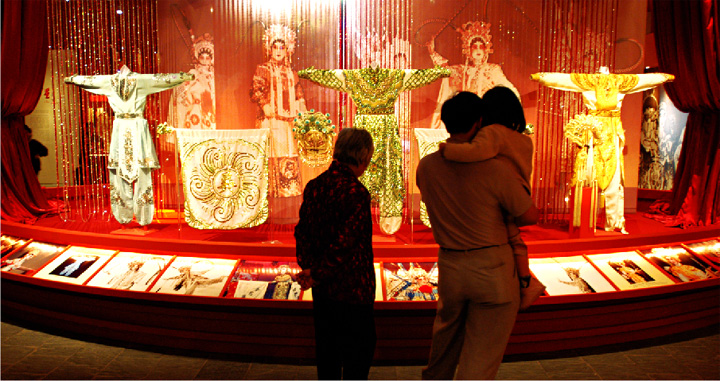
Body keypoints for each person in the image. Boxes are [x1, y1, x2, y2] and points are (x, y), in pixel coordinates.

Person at [416, 92, 538, 379]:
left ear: (445, 123)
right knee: (480, 359)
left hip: (449, 264)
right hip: (491, 267)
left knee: (444, 345)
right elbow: (529, 215)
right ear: (479, 121)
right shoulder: (496, 169)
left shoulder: (428, 166)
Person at [299, 61, 449, 235]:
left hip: (377, 129)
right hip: (373, 128)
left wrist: (438, 73)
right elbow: (330, 76)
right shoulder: (363, 77)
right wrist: (310, 74)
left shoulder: (384, 77)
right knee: (363, 170)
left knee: (388, 170)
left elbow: (417, 75)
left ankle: (385, 216)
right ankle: (357, 216)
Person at [438, 86, 545, 310]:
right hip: (521, 191)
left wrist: (447, 151)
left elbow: (475, 152)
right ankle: (525, 280)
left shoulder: (492, 133)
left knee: (511, 237)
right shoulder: (524, 140)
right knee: (515, 240)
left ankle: (525, 284)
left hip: (500, 197)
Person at [531, 68, 674, 233]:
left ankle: (613, 222)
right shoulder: (592, 80)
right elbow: (563, 79)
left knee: (614, 178)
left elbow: (642, 80)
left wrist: (664, 78)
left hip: (612, 134)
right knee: (588, 175)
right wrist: (541, 77)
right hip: (593, 132)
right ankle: (585, 221)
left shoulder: (618, 81)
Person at [65, 66, 194, 227]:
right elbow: (162, 79)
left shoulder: (109, 81)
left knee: (123, 170)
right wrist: (183, 76)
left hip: (122, 127)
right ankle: (142, 217)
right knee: (140, 171)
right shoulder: (140, 80)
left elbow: (88, 80)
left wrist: (73, 79)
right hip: (136, 127)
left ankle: (125, 216)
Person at [294, 128, 376, 380]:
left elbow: (302, 232)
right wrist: (316, 272)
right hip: (353, 291)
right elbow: (346, 244)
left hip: (323, 290)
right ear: (362, 157)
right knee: (357, 358)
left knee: (327, 357)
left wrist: (310, 270)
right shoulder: (356, 193)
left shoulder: (315, 186)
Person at [250, 24, 307, 224]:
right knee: (271, 155)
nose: (278, 52)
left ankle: (289, 203)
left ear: (288, 49)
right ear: (269, 49)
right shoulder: (263, 69)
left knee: (289, 156)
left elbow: (299, 95)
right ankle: (269, 202)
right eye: (275, 48)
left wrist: (303, 115)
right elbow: (256, 90)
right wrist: (265, 105)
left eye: (282, 48)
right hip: (271, 120)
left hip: (289, 123)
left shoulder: (292, 73)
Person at [427, 21, 519, 130]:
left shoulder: (493, 70)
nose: (478, 50)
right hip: (468, 119)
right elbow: (446, 70)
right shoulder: (464, 70)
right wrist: (432, 52)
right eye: (475, 47)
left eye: (481, 47)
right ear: (469, 50)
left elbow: (507, 88)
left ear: (486, 50)